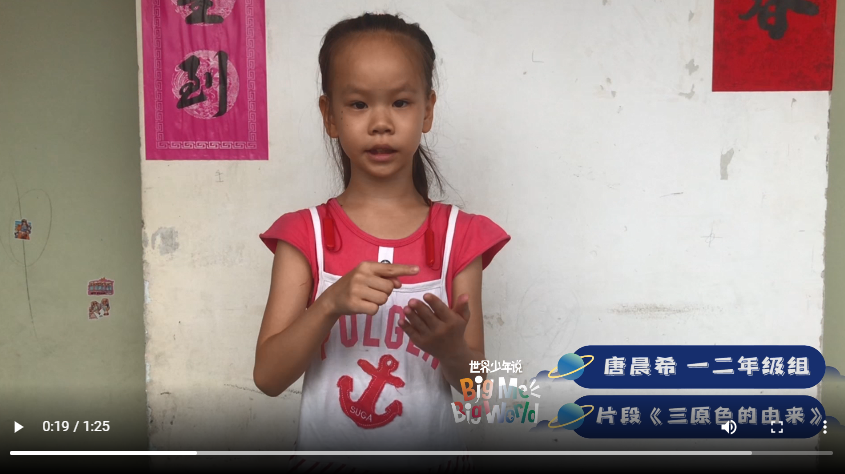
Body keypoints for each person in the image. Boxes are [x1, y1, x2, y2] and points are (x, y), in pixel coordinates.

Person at [255, 12, 510, 473]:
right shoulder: (305, 234)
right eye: (358, 104)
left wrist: (452, 349)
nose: (380, 123)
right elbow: (269, 378)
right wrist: (329, 304)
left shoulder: (460, 236)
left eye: (400, 102)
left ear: (427, 111)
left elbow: (480, 397)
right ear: (329, 115)